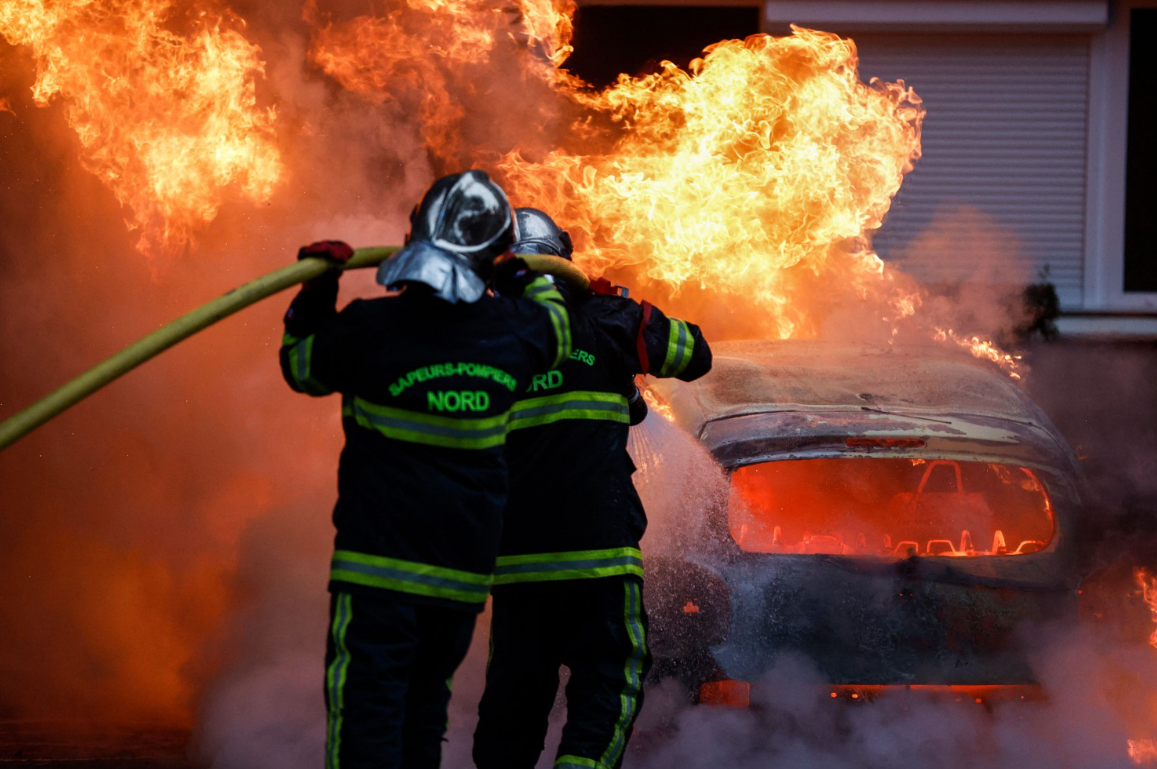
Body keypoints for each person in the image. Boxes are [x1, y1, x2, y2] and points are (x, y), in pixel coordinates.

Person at [278, 172, 571, 769]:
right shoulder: (517, 335)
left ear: (415, 235)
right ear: (493, 256)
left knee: (370, 717)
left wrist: (318, 288)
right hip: (459, 577)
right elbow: (558, 330)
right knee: (421, 716)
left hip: (381, 572)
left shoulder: (367, 328)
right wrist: (520, 279)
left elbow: (301, 366)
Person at [473, 208, 713, 769]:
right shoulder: (607, 319)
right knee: (608, 682)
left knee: (513, 700)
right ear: (564, 258)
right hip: (597, 556)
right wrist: (626, 310)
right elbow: (694, 355)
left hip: (516, 564)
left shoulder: (480, 341)